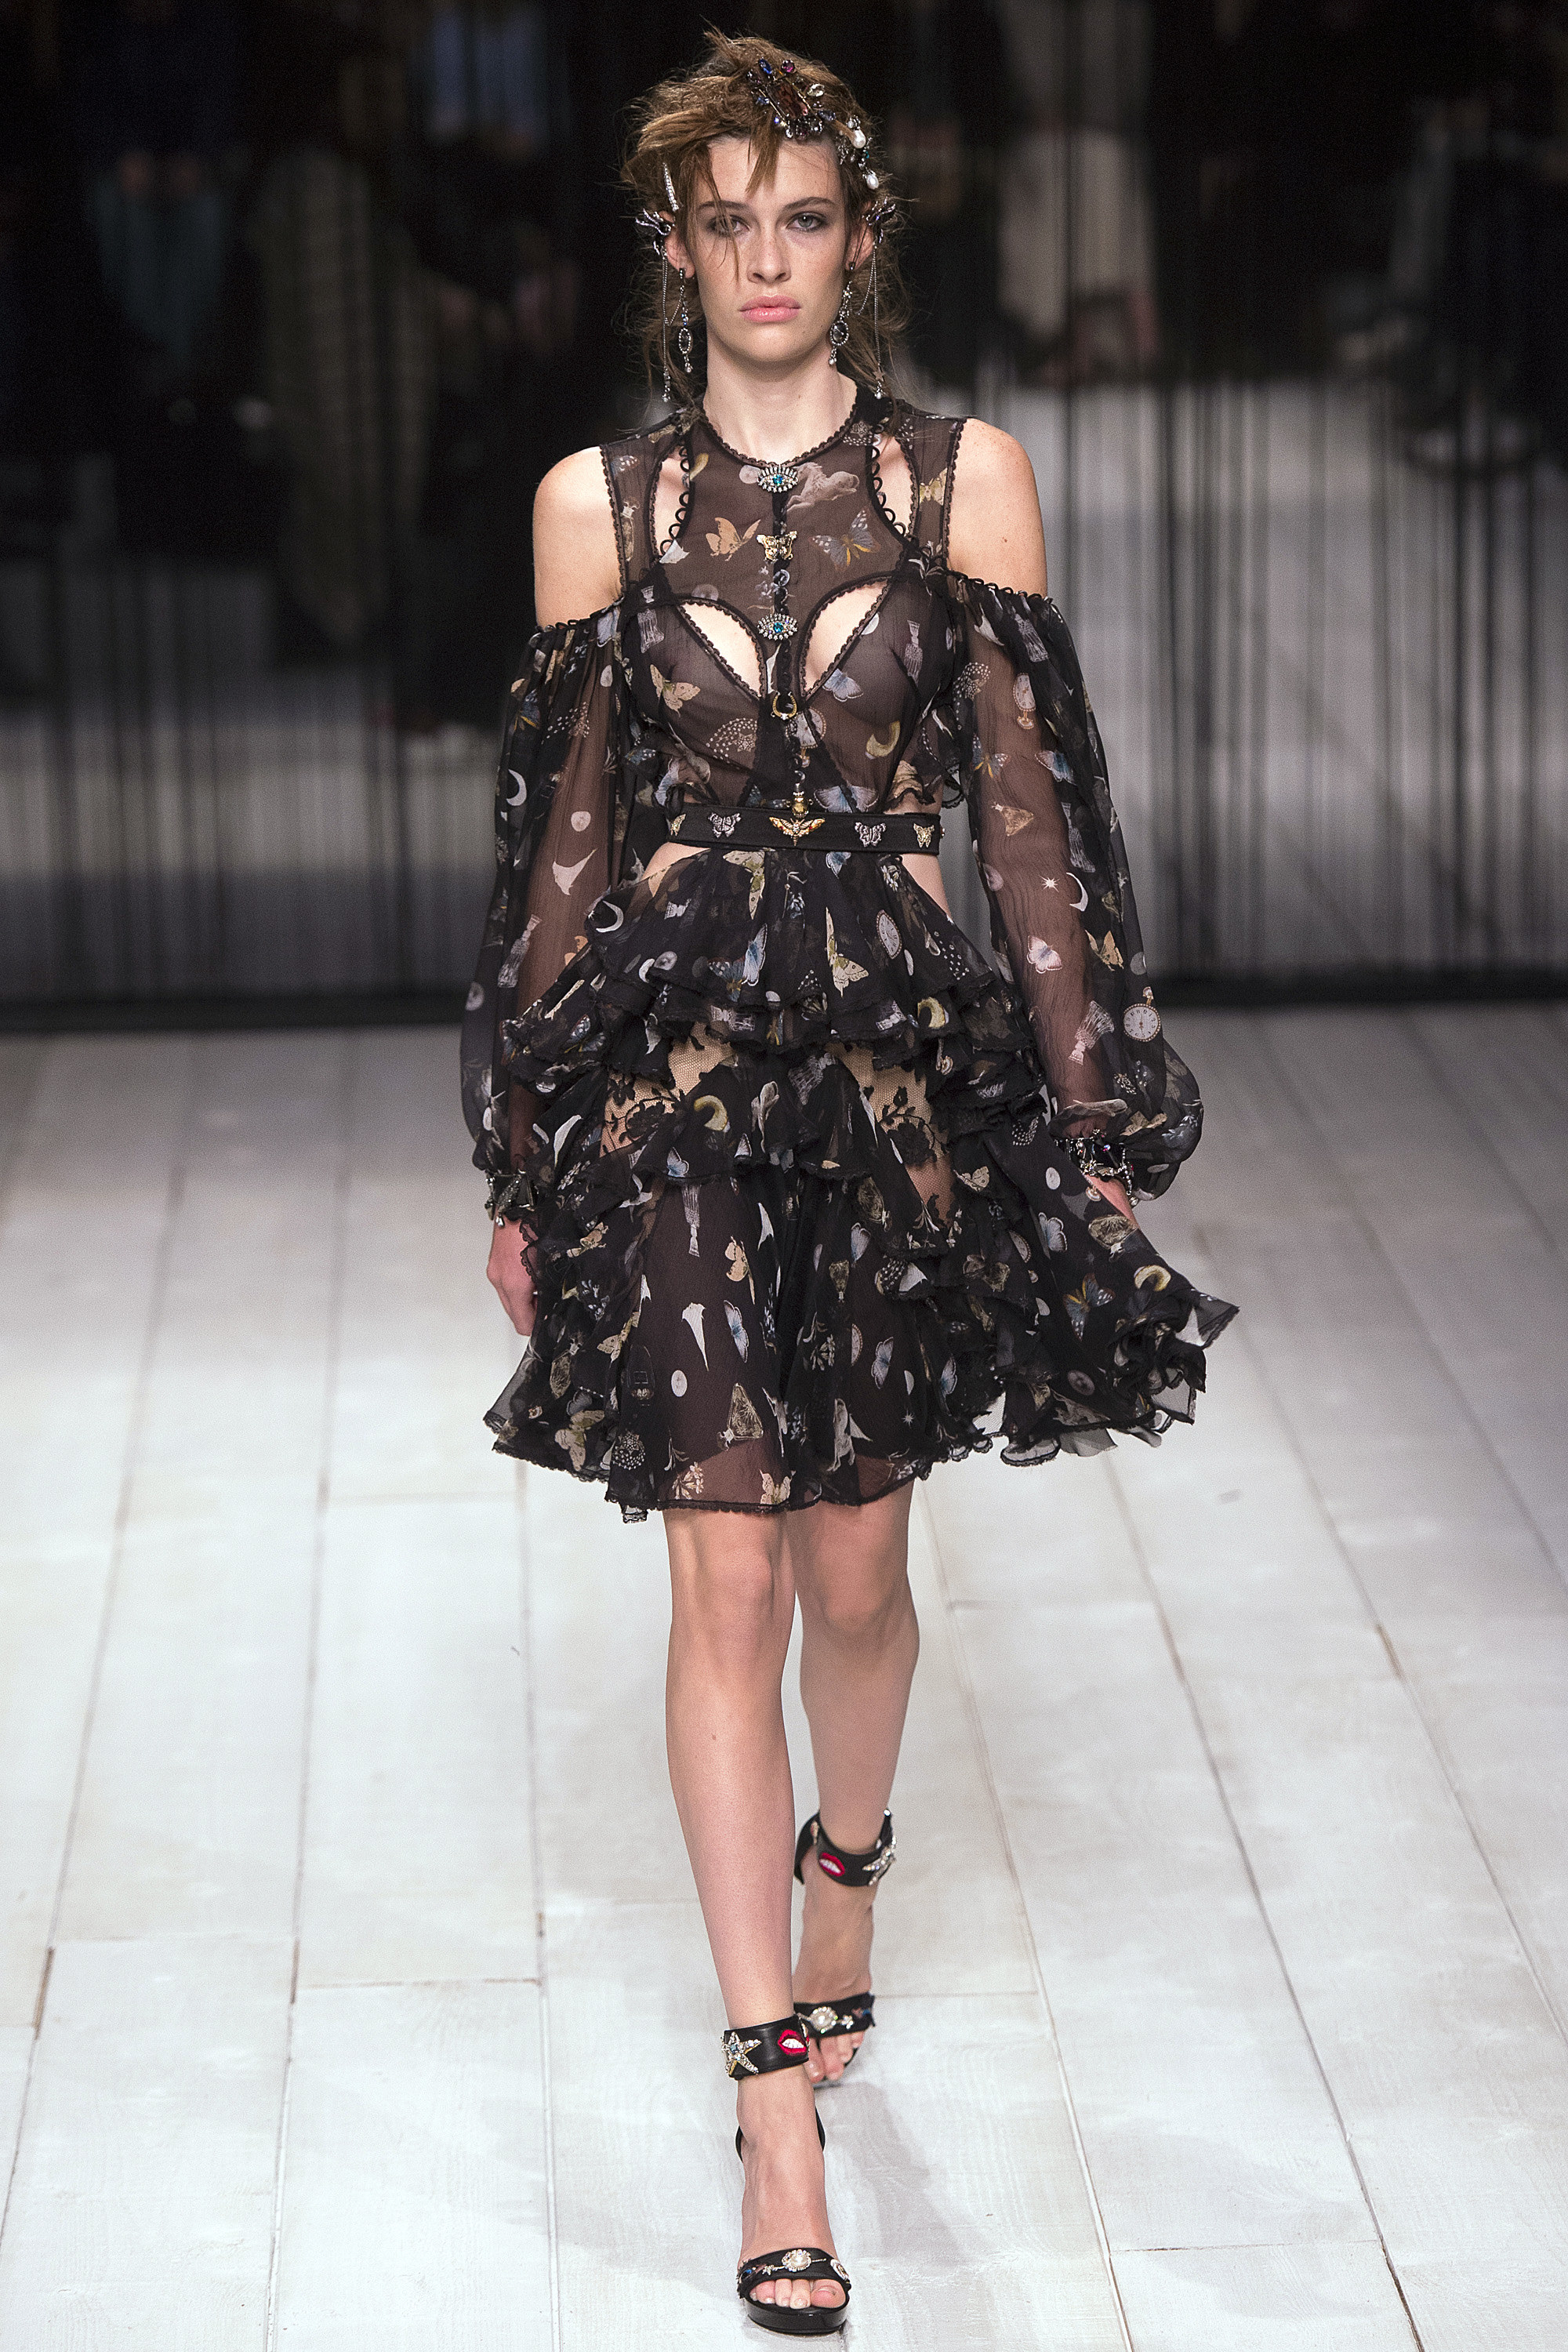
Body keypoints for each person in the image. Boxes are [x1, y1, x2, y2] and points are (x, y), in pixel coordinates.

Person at [461, 32, 1236, 2333]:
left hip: (896, 1090)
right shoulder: (596, 509)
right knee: (721, 1579)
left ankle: (853, 1866)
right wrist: (524, 1151)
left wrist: (1093, 1128)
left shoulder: (965, 483)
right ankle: (772, 2104)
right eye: (729, 225)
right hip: (671, 1095)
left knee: (859, 1573)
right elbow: (558, 859)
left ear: (858, 238)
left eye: (802, 219)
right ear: (676, 248)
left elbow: (1033, 833)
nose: (768, 260)